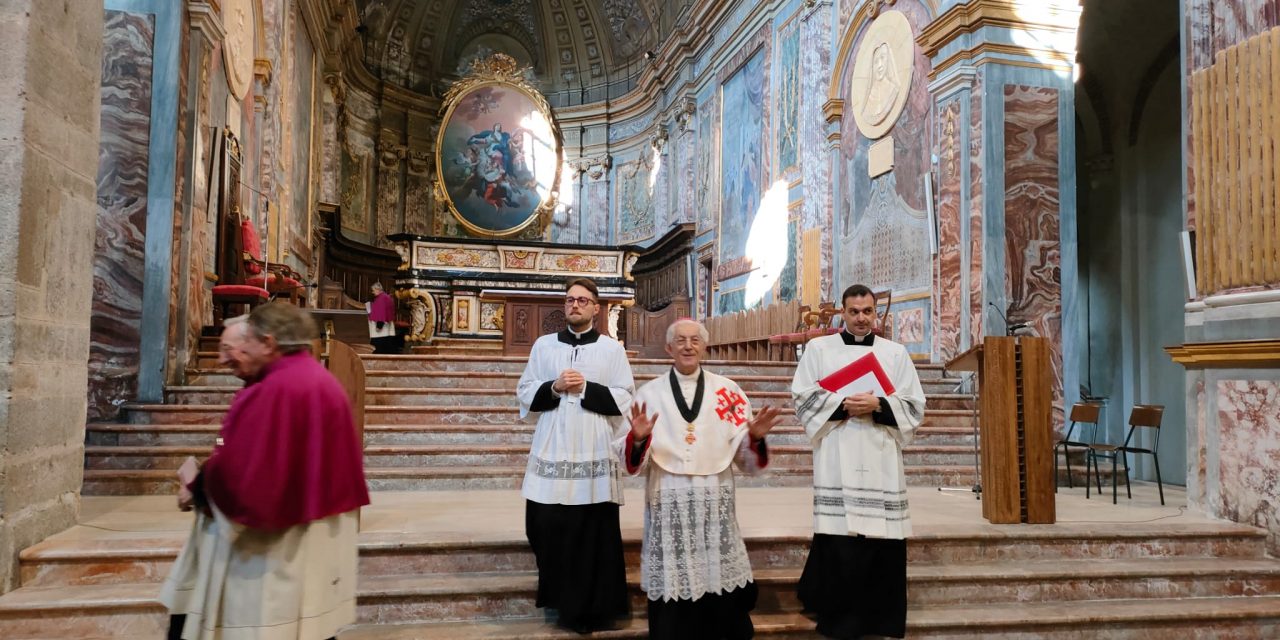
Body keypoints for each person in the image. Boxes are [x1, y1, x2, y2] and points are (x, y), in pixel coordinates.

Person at [160, 302, 370, 640]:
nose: (234, 355)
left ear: (269, 343)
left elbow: (246, 482)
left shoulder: (275, 389)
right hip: (317, 531)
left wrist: (199, 488)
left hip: (272, 555)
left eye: (247, 344)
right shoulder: (321, 380)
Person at [623, 319, 783, 640]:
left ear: (704, 346)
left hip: (714, 496)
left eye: (695, 340)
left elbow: (744, 458)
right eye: (680, 340)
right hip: (669, 495)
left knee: (716, 572)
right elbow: (629, 455)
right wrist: (638, 438)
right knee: (675, 575)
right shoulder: (649, 394)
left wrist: (753, 436)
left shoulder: (729, 392)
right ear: (669, 348)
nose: (687, 346)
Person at [790, 284, 926, 639]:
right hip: (839, 449)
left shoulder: (895, 354)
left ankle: (883, 620)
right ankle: (841, 621)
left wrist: (879, 405)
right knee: (841, 540)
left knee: (883, 541)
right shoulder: (820, 349)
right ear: (843, 313)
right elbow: (802, 397)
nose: (861, 318)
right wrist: (843, 404)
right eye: (854, 312)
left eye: (868, 311)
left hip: (881, 456)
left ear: (876, 313)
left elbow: (915, 405)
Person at [516, 277, 635, 633]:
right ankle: (560, 599)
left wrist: (585, 388)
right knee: (543, 526)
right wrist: (553, 387)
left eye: (583, 300)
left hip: (593, 449)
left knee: (593, 533)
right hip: (552, 446)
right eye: (570, 300)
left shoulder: (612, 351)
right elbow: (524, 391)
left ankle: (594, 607)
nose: (575, 305)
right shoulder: (543, 346)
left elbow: (626, 396)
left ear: (596, 309)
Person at [367, 282, 397, 354]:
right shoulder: (385, 296)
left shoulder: (381, 298)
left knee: (378, 347)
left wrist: (379, 326)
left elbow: (381, 313)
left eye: (373, 290)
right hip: (386, 327)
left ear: (378, 289)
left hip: (381, 329)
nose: (373, 292)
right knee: (386, 344)